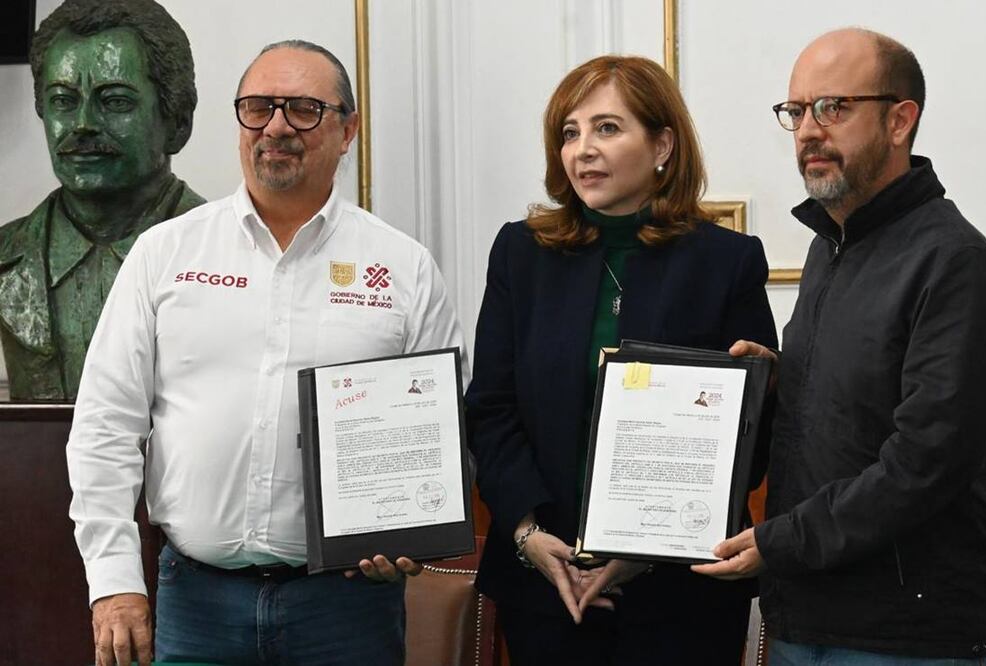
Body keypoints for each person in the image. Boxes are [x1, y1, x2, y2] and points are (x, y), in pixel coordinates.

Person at [67, 40, 467, 666]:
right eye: (256, 107)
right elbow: (104, 427)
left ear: (348, 129)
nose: (275, 126)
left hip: (347, 608)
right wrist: (114, 583)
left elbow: (441, 437)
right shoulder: (165, 254)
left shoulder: (403, 269)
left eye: (303, 109)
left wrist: (409, 534)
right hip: (195, 604)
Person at [693, 28, 986, 664]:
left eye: (833, 107)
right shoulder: (830, 245)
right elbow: (863, 398)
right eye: (796, 111)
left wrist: (780, 542)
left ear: (900, 121)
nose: (809, 130)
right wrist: (783, 379)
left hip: (904, 634)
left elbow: (925, 464)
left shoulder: (956, 263)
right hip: (806, 613)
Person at [465, 55, 777, 665]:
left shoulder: (727, 261)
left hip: (681, 592)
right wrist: (529, 535)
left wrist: (649, 544)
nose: (583, 149)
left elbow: (749, 437)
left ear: (662, 144)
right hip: (546, 583)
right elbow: (492, 409)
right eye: (569, 132)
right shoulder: (520, 254)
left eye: (607, 128)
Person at [0, 0, 204, 400]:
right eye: (63, 100)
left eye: (115, 102)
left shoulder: (233, 254)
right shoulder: (7, 256)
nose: (83, 124)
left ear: (178, 123)